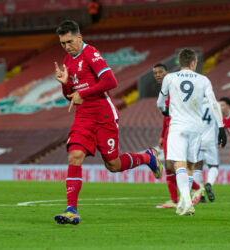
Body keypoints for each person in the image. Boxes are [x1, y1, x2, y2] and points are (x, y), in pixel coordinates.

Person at [53, 20, 163, 225]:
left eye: (69, 41)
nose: (67, 46)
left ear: (79, 37)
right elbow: (71, 97)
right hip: (83, 118)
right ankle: (71, 210)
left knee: (113, 165)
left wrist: (82, 93)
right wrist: (65, 84)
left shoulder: (91, 53)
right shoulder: (67, 61)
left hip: (104, 117)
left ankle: (147, 157)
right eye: (62, 43)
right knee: (74, 156)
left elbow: (111, 81)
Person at [157, 48, 227, 216]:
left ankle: (187, 202)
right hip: (197, 129)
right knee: (189, 165)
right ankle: (185, 201)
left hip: (178, 127)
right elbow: (214, 104)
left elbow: (160, 102)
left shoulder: (170, 78)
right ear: (193, 62)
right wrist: (221, 127)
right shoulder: (203, 80)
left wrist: (165, 111)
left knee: (178, 164)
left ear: (180, 62)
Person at [152, 63, 203, 209]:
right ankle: (174, 200)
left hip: (178, 130)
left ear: (167, 72)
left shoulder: (175, 86)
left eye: (160, 72)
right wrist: (162, 135)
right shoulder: (166, 89)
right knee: (169, 167)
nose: (157, 75)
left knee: (172, 165)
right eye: (155, 73)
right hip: (170, 130)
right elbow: (166, 116)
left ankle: (196, 187)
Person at [194, 97, 221, 202]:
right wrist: (219, 139)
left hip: (197, 140)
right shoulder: (215, 103)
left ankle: (200, 194)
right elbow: (220, 122)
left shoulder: (194, 102)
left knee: (197, 167)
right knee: (214, 166)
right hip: (210, 140)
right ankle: (209, 183)